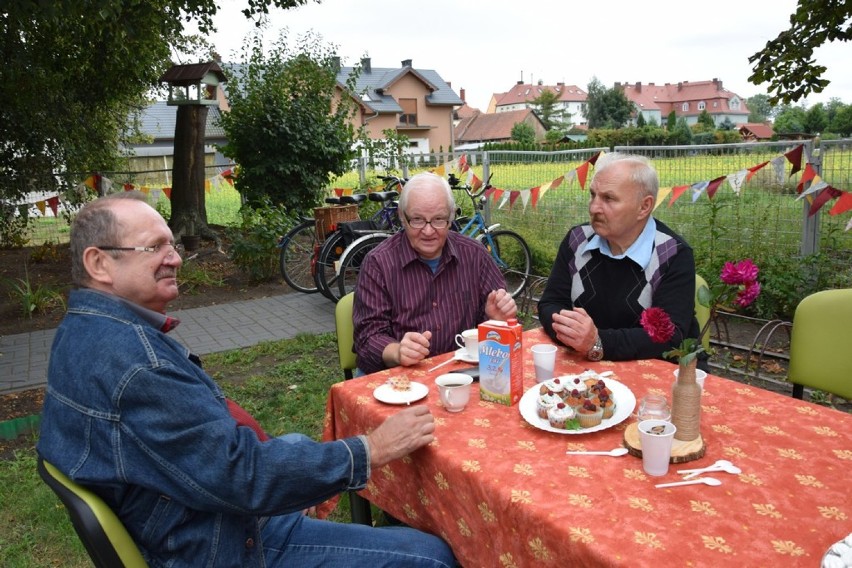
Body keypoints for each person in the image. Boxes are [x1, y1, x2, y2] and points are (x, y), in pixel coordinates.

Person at [36, 192, 456, 568]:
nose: (176, 258)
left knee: (292, 445)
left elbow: (212, 455)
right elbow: (243, 477)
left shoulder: (82, 327)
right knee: (433, 556)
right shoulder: (138, 367)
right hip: (219, 542)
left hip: (177, 507)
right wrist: (372, 449)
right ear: (99, 263)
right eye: (156, 247)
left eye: (172, 244)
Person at [537, 152, 704, 367]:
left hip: (655, 372)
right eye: (593, 195)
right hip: (585, 366)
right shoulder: (577, 240)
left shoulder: (672, 254)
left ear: (644, 207)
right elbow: (550, 303)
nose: (594, 207)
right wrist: (575, 334)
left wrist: (598, 342)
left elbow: (670, 336)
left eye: (608, 198)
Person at [353, 172, 517, 375]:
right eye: (418, 220)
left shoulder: (475, 255)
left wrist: (496, 321)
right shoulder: (378, 263)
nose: (429, 231)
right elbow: (367, 338)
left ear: (450, 218)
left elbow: (496, 335)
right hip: (400, 379)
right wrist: (397, 351)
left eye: (439, 219)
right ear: (402, 218)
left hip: (461, 375)